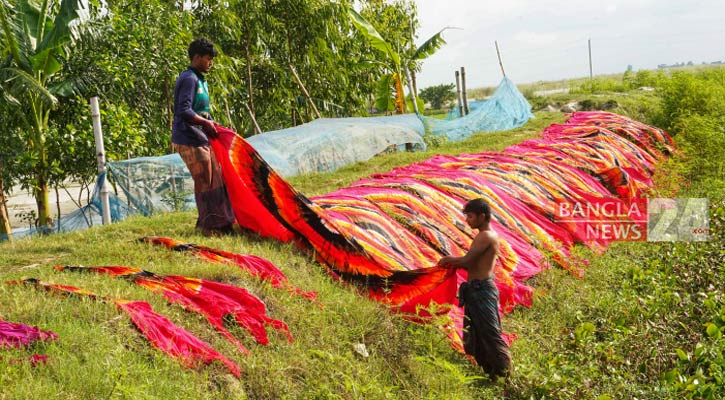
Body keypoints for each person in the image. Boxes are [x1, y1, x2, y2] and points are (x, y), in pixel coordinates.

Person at [437, 198, 512, 378]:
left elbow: (467, 261)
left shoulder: (486, 236)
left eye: (470, 216)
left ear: (482, 216)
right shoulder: (483, 235)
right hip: (476, 290)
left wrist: (448, 260)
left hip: (482, 290)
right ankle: (493, 374)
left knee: (490, 334)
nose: (467, 220)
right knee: (477, 334)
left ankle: (507, 377)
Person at [171, 38, 235, 236]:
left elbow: (202, 111)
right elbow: (184, 111)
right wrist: (205, 123)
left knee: (214, 179)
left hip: (201, 137)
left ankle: (218, 222)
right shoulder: (189, 78)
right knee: (204, 180)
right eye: (208, 59)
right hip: (188, 137)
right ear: (196, 57)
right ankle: (207, 226)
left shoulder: (200, 79)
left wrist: (212, 122)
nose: (211, 63)